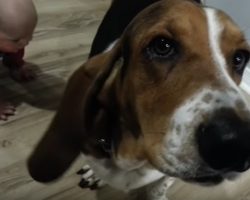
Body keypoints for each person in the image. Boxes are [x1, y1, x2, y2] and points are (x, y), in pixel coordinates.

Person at [0, 0, 37, 120]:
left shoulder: (15, 37)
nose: (26, 42)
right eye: (16, 40)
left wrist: (17, 63)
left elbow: (19, 43)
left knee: (15, 46)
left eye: (30, 35)